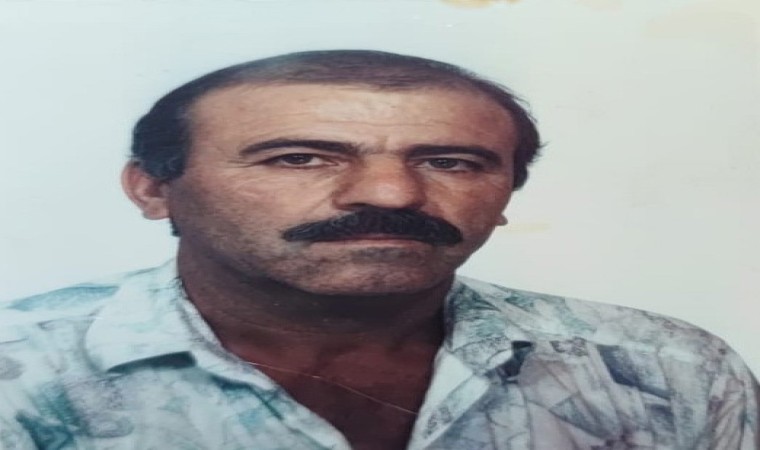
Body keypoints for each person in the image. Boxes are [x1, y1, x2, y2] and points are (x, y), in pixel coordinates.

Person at [0, 50, 756, 450]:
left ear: (505, 193)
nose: (392, 195)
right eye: (300, 158)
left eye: (451, 162)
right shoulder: (22, 375)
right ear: (152, 188)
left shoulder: (669, 370)